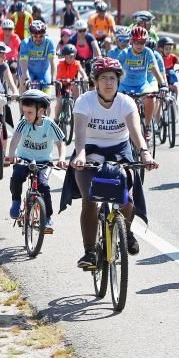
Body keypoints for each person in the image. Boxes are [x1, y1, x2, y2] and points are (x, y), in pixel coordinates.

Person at [65, 57, 159, 269]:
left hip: (119, 152)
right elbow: (79, 133)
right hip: (89, 152)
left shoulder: (126, 102)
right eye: (104, 78)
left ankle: (126, 230)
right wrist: (79, 155)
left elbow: (135, 131)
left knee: (124, 194)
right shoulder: (84, 101)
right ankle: (89, 252)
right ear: (95, 82)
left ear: (118, 81)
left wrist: (145, 154)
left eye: (113, 78)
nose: (109, 82)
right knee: (90, 198)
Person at [4, 89, 67, 233]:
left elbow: (60, 142)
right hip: (25, 159)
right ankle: (16, 201)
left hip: (43, 161)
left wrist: (62, 158)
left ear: (41, 111)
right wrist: (12, 155)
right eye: (24, 112)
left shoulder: (49, 125)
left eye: (29, 112)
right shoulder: (23, 123)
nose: (26, 116)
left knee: (44, 187)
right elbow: (15, 139)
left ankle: (48, 218)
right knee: (17, 176)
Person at [117, 26, 168, 140]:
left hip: (142, 85)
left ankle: (148, 126)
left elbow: (155, 70)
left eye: (142, 42)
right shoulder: (124, 53)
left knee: (151, 98)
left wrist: (163, 85)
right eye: (136, 42)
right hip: (125, 86)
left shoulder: (148, 52)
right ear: (131, 41)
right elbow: (116, 71)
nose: (139, 45)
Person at [18, 21, 56, 94]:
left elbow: (53, 62)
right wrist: (26, 77)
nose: (38, 38)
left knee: (47, 98)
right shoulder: (25, 43)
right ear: (31, 35)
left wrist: (53, 77)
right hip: (28, 71)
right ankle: (22, 103)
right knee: (24, 86)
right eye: (35, 36)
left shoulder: (49, 42)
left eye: (41, 36)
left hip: (43, 72)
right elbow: (23, 62)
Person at [54, 44, 88, 122]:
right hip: (61, 84)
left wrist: (85, 77)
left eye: (72, 57)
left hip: (70, 83)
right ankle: (56, 118)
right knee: (59, 102)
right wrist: (59, 80)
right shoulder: (60, 64)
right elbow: (58, 75)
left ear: (75, 56)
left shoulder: (76, 63)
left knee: (77, 87)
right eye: (67, 57)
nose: (70, 59)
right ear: (64, 57)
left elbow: (82, 72)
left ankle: (77, 106)